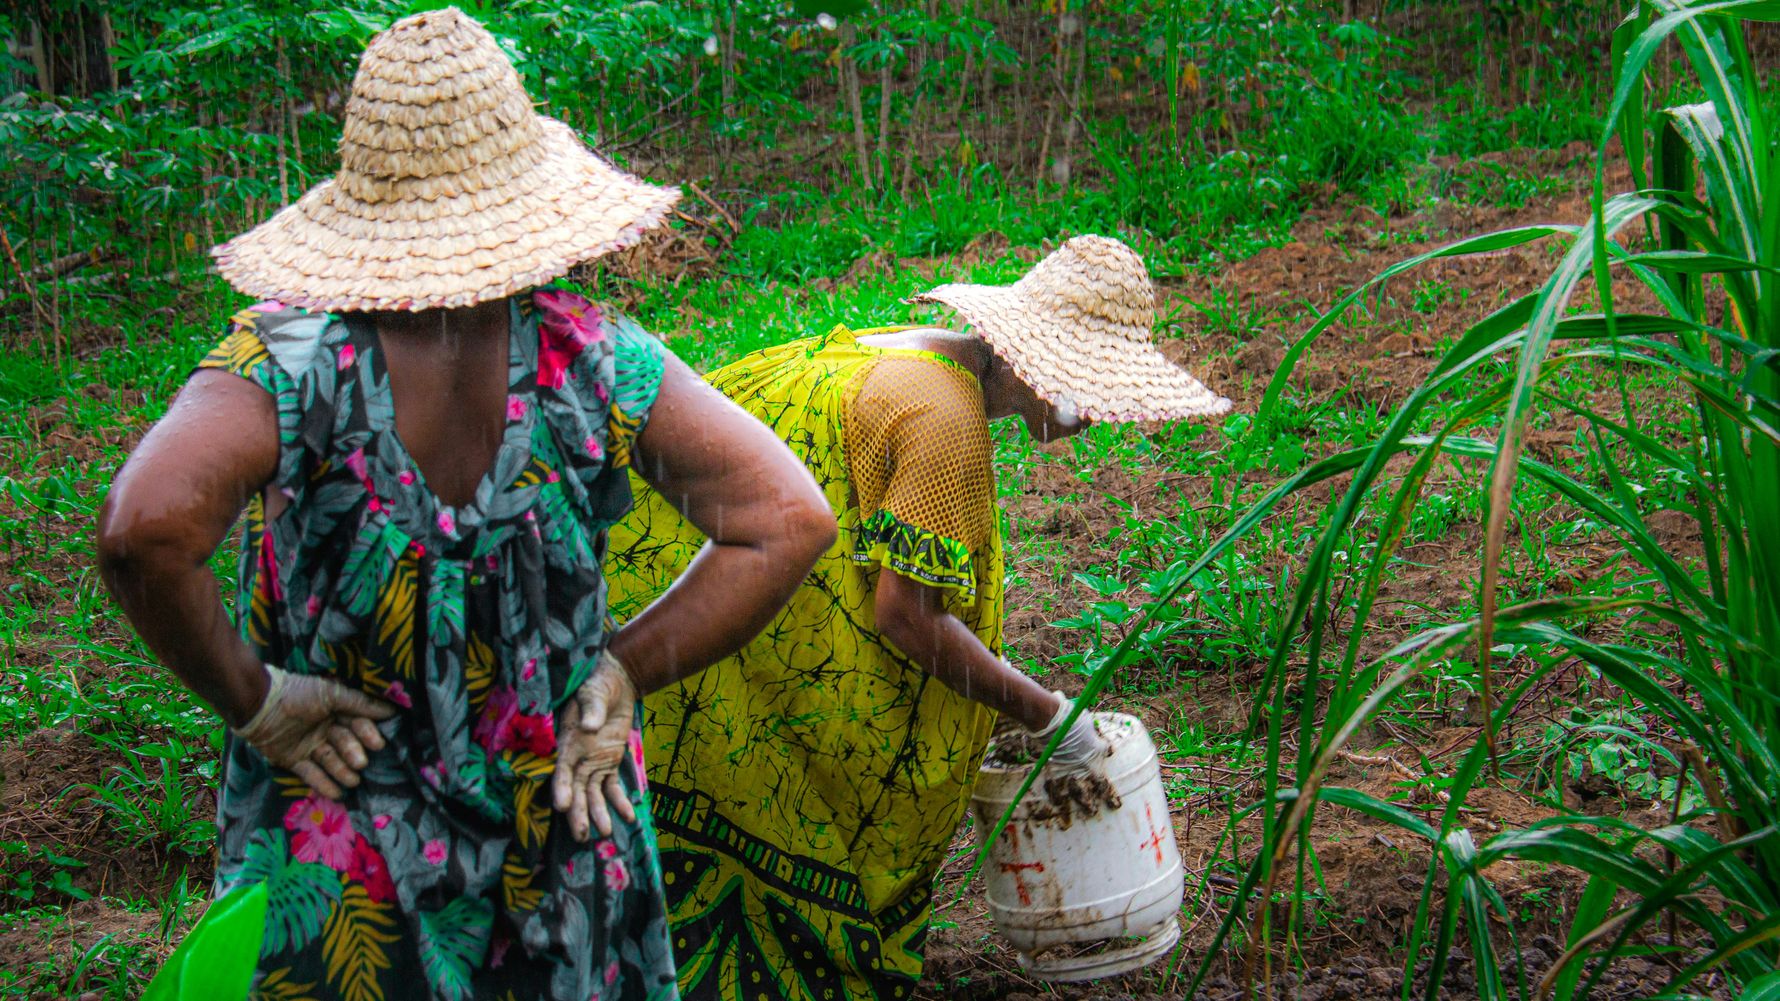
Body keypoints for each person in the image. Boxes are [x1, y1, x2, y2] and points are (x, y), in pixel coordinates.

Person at [95, 9, 834, 999]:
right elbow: (787, 515)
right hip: (560, 835)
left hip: (340, 845)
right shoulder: (595, 357)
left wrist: (258, 698)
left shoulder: (292, 359)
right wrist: (622, 667)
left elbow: (144, 531)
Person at [604, 234, 1231, 1000]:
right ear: (1036, 362)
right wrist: (1049, 717)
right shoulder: (942, 420)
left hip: (675, 605)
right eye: (1086, 391)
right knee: (777, 925)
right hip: (723, 655)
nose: (1090, 418)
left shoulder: (898, 352)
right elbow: (906, 614)